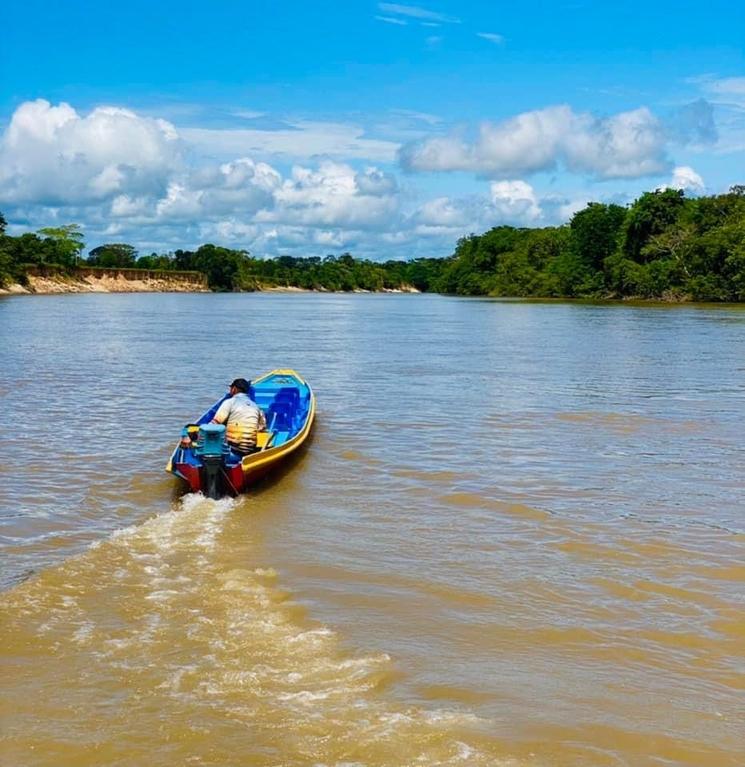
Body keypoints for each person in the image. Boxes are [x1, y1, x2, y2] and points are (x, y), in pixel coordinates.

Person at [211, 378, 267, 455]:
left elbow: (214, 424)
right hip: (250, 449)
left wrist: (197, 434)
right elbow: (262, 427)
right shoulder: (256, 406)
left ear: (234, 389)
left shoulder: (229, 402)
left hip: (233, 448)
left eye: (230, 388)